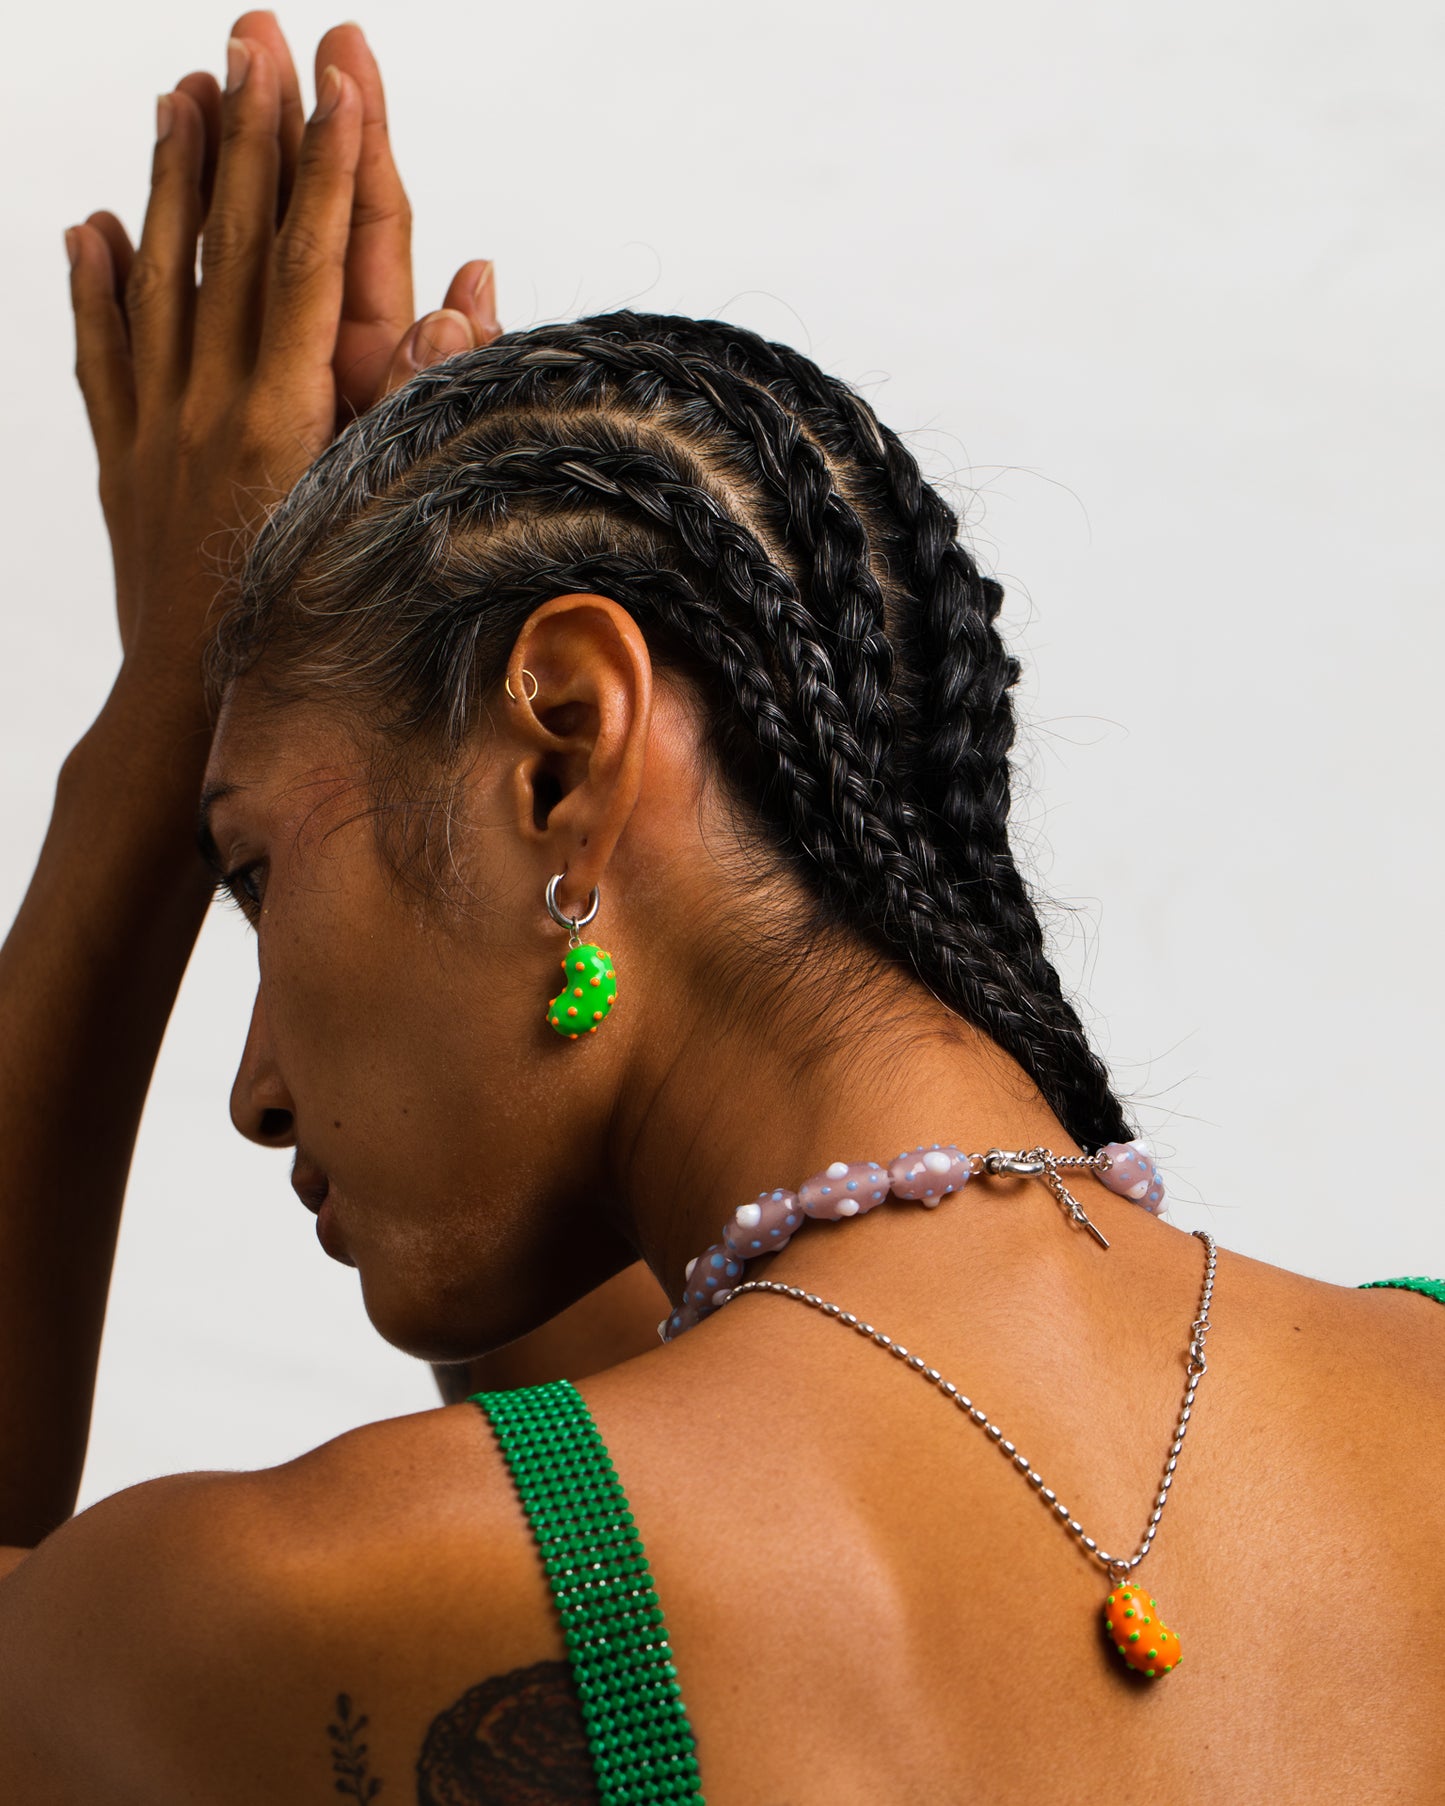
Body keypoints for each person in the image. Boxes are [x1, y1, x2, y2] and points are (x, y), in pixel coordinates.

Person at [1, 13, 1440, 1802]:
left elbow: (627, 1540)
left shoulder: (322, 1603)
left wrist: (153, 731)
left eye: (254, 869)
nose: (260, 1082)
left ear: (561, 755)